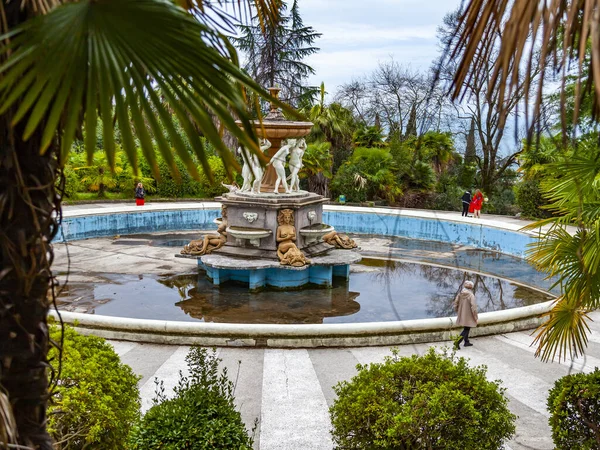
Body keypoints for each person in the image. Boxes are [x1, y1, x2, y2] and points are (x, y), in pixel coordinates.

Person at [453, 280, 478, 349]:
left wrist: (457, 310)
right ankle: (457, 342)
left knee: (466, 327)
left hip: (462, 313)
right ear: (471, 288)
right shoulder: (471, 295)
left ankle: (466, 341)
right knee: (467, 329)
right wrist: (475, 316)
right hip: (469, 314)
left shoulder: (460, 293)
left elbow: (456, 302)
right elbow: (474, 307)